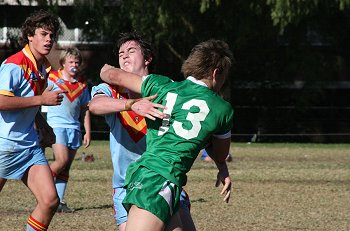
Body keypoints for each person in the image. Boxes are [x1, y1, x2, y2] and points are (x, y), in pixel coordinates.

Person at [100, 39, 234, 231]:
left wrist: (105, 69)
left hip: (154, 176)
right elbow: (220, 154)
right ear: (216, 73)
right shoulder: (222, 109)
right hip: (158, 180)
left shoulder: (161, 85)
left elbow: (113, 74)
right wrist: (221, 166)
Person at [89, 32, 196, 231]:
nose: (124, 56)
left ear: (147, 58)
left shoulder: (167, 90)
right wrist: (131, 105)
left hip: (165, 180)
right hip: (127, 186)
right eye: (121, 53)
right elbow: (95, 105)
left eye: (131, 51)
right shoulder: (110, 90)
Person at [0, 10, 63, 231]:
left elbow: (30, 104)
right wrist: (41, 99)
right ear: (29, 36)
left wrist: (43, 125)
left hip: (28, 147)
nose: (48, 40)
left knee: (50, 201)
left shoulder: (43, 67)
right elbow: (1, 101)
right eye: (43, 34)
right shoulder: (14, 65)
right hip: (3, 145)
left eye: (51, 35)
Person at [46, 47, 91, 213]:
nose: (74, 65)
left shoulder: (82, 85)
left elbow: (85, 110)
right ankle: (41, 187)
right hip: (56, 126)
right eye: (71, 62)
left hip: (74, 128)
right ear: (63, 63)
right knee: (61, 161)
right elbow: (39, 95)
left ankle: (59, 201)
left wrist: (87, 131)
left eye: (77, 62)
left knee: (66, 168)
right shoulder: (52, 79)